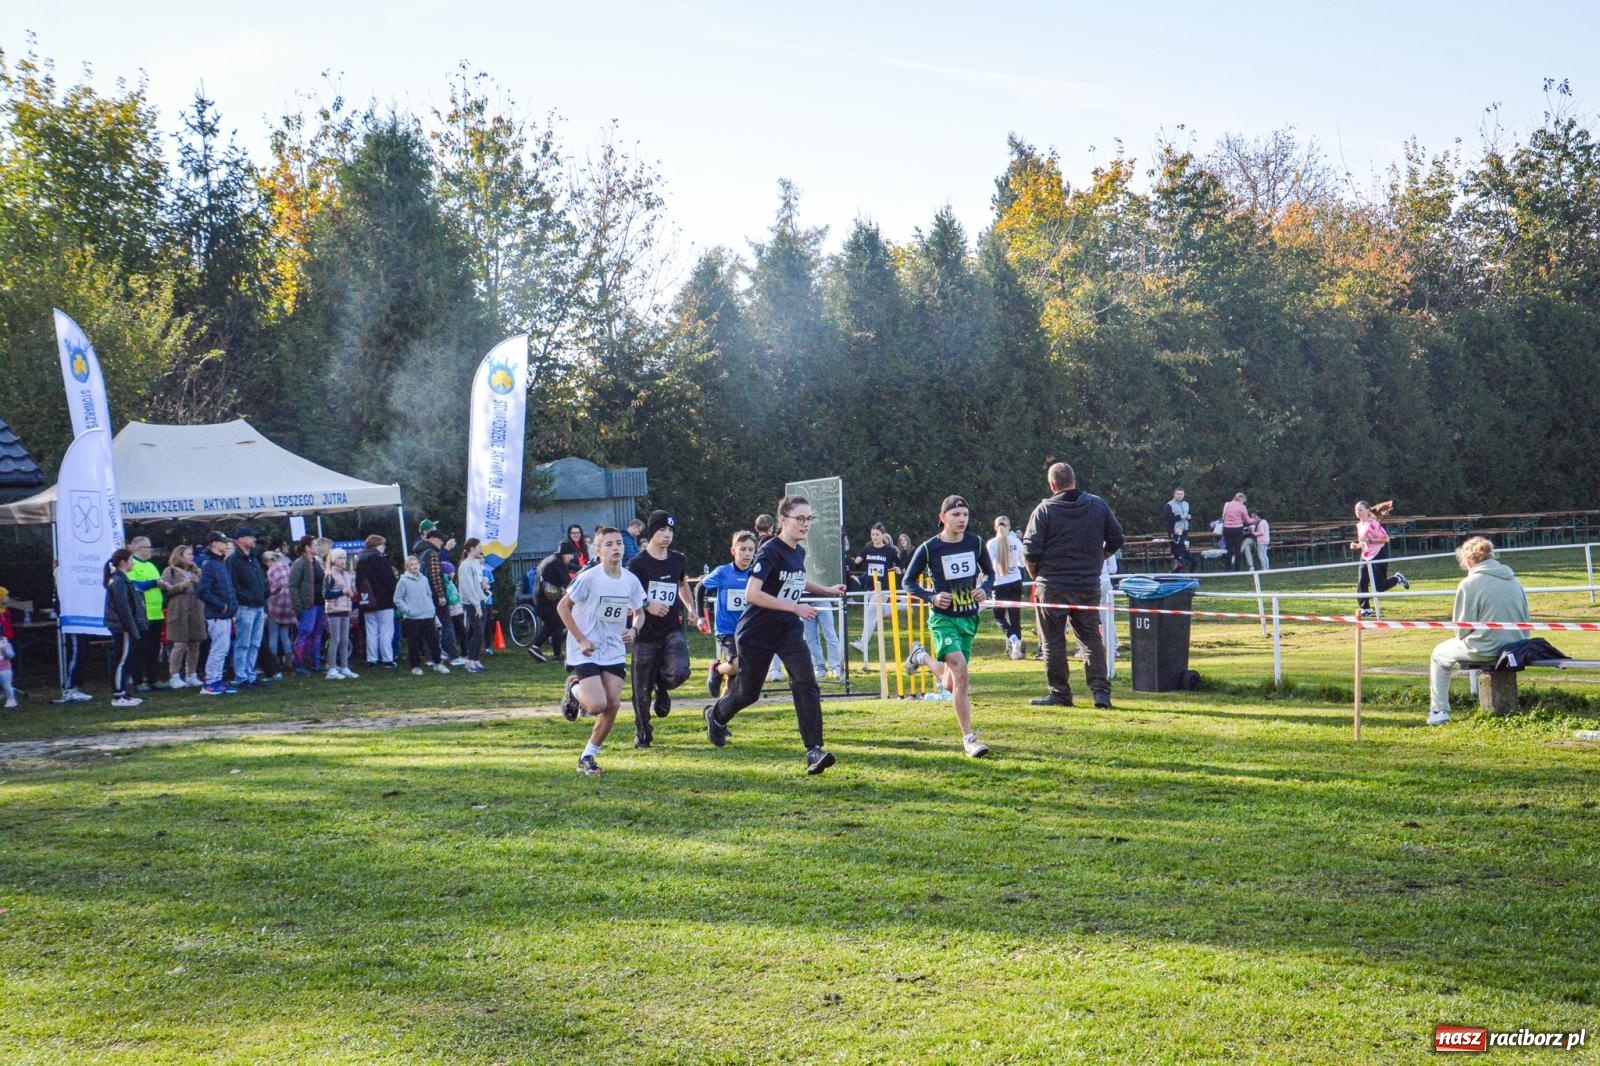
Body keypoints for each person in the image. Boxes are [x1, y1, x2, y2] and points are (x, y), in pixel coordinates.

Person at [704, 495, 845, 775]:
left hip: (788, 630)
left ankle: (813, 750)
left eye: (809, 519)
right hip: (757, 632)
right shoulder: (769, 550)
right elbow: (752, 593)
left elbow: (795, 580)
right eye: (800, 518)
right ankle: (716, 715)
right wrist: (795, 606)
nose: (806, 524)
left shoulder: (798, 553)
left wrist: (825, 590)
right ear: (783, 521)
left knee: (806, 682)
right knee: (748, 692)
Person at [1022, 462, 1125, 709]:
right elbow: (1117, 538)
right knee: (1090, 638)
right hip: (1087, 584)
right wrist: (1099, 556)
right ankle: (1101, 693)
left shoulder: (1044, 510)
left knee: (1053, 641)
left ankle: (1060, 693)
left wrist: (1037, 574)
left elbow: (1030, 551)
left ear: (1052, 485)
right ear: (1074, 481)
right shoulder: (1097, 505)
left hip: (1053, 585)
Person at [902, 495, 996, 757]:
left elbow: (990, 573)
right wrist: (931, 596)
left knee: (952, 683)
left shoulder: (976, 543)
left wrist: (984, 589)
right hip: (943, 619)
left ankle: (920, 656)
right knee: (961, 672)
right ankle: (969, 739)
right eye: (955, 515)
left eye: (965, 514)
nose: (961, 519)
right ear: (942, 517)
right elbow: (908, 582)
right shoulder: (929, 548)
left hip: (968, 618)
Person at [557, 526, 646, 776]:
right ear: (598, 550)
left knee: (613, 704)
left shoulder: (630, 580)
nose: (616, 547)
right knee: (596, 705)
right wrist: (581, 639)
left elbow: (639, 612)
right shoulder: (589, 578)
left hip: (613, 649)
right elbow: (563, 607)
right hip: (585, 648)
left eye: (618, 543)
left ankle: (588, 756)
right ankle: (574, 689)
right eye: (608, 544)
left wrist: (635, 630)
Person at [1426, 537, 1530, 726]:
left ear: (1468, 561)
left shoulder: (1470, 584)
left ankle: (1439, 710)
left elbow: (1462, 629)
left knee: (1438, 655)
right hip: (1518, 645)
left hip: (1487, 647)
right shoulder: (1514, 579)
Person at [625, 510, 698, 748]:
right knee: (640, 689)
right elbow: (627, 596)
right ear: (652, 532)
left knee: (680, 671)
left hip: (671, 629)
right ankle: (643, 733)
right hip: (645, 632)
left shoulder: (678, 559)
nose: (667, 535)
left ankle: (663, 685)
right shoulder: (637, 563)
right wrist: (647, 605)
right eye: (661, 531)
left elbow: (682, 584)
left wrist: (691, 608)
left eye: (670, 531)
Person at [702, 530, 757, 699]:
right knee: (737, 665)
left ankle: (720, 709)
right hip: (727, 630)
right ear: (733, 550)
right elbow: (700, 588)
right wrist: (700, 616)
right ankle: (716, 669)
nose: (747, 554)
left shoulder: (756, 574)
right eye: (743, 549)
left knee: (738, 674)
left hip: (747, 630)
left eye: (751, 550)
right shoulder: (723, 572)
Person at [850, 523, 902, 665]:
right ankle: (899, 606)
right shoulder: (868, 548)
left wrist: (898, 568)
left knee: (872, 611)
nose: (874, 537)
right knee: (873, 613)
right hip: (871, 586)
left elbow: (899, 563)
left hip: (883, 587)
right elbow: (858, 564)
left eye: (877, 535)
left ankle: (862, 642)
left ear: (883, 536)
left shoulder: (889, 550)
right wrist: (858, 561)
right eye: (872, 535)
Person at [195, 532, 239, 695]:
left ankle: (217, 679)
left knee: (223, 648)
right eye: (222, 542)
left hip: (225, 614)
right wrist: (221, 606)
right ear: (214, 544)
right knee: (218, 649)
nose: (226, 545)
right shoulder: (210, 564)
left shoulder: (219, 563)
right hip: (217, 614)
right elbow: (202, 591)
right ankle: (211, 682)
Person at [227, 526, 269, 687]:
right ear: (241, 539)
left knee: (255, 643)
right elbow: (234, 585)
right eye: (251, 536)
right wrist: (249, 598)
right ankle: (241, 676)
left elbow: (260, 582)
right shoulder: (233, 560)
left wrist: (263, 605)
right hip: (245, 607)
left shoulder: (253, 559)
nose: (254, 539)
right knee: (243, 643)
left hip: (257, 606)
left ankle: (250, 674)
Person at [103, 547, 146, 707]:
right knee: (120, 659)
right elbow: (123, 607)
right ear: (123, 563)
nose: (132, 563)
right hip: (122, 626)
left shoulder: (121, 579)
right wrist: (131, 627)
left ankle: (123, 692)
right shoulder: (118, 580)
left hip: (124, 626)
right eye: (131, 560)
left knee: (124, 658)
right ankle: (118, 694)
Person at [1351, 500, 1409, 617]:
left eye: (1361, 510)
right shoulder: (1359, 525)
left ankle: (1397, 578)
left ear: (1367, 510)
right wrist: (1356, 545)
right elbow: (1364, 543)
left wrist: (1370, 540)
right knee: (1362, 582)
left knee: (1379, 587)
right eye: (1357, 510)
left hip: (1378, 555)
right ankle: (1365, 608)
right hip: (1365, 556)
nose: (1358, 512)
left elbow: (1386, 539)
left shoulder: (1373, 524)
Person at [160, 545, 205, 688]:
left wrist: (199, 583)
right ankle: (174, 675)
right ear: (180, 556)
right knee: (179, 644)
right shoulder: (170, 571)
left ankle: (191, 674)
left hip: (196, 611)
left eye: (192, 554)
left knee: (195, 643)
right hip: (178, 611)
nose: (192, 557)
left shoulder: (197, 570)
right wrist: (182, 586)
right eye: (188, 554)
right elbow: (166, 591)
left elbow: (205, 589)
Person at [521, 542, 574, 663]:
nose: (571, 558)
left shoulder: (549, 560)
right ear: (564, 554)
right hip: (547, 601)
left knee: (556, 624)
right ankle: (535, 647)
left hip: (540, 599)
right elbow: (568, 582)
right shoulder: (557, 563)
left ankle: (557, 654)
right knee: (554, 624)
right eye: (570, 555)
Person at [124, 535, 164, 692]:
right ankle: (138, 681)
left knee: (153, 650)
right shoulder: (131, 565)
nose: (151, 550)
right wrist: (154, 583)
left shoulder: (151, 566)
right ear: (138, 549)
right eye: (148, 547)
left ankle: (153, 679)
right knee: (140, 649)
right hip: (142, 614)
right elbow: (134, 586)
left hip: (156, 613)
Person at [395, 555, 447, 675]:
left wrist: (431, 609)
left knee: (434, 642)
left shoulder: (424, 579)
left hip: (428, 615)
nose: (415, 566)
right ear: (407, 567)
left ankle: (438, 663)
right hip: (412, 618)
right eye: (412, 564)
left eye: (416, 564)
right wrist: (407, 610)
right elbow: (398, 599)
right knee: (414, 644)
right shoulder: (403, 581)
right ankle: (415, 666)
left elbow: (428, 594)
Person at [985, 515, 1026, 660]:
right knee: (1015, 616)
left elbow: (988, 566)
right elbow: (1022, 563)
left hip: (1000, 583)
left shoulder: (991, 544)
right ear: (1009, 527)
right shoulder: (1016, 541)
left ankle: (1014, 640)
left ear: (995, 527)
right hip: (1016, 581)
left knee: (999, 617)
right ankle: (1018, 650)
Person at [355, 535, 398, 669]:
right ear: (376, 546)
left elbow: (358, 582)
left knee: (371, 631)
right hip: (384, 601)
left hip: (367, 601)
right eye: (382, 545)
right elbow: (390, 582)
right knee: (386, 631)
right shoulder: (381, 561)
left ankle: (372, 659)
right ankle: (387, 659)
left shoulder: (360, 562)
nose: (384, 547)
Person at [288, 535, 325, 675]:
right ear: (307, 548)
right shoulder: (300, 563)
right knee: (304, 634)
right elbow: (293, 585)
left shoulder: (316, 562)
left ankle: (315, 663)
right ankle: (298, 666)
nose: (317, 547)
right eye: (315, 545)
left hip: (319, 603)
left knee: (317, 634)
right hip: (307, 605)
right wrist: (298, 606)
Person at [323, 548, 357, 680]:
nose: (343, 561)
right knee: (335, 640)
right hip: (334, 610)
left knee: (344, 640)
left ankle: (345, 666)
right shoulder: (330, 575)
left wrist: (350, 593)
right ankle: (331, 668)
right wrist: (342, 592)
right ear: (333, 560)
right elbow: (326, 594)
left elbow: (348, 590)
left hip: (345, 609)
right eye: (340, 558)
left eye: (344, 558)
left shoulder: (347, 574)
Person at [264, 550, 297, 679]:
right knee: (285, 635)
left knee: (273, 635)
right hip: (288, 605)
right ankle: (289, 661)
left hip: (275, 605)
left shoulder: (271, 571)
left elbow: (272, 589)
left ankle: (274, 662)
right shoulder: (287, 568)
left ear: (268, 561)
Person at [457, 538, 489, 673]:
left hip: (480, 600)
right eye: (479, 547)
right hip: (472, 603)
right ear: (471, 548)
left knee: (479, 632)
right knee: (477, 631)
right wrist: (476, 605)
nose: (481, 550)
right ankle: (470, 661)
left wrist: (482, 587)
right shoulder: (465, 566)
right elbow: (468, 587)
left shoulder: (474, 564)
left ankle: (475, 660)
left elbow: (476, 583)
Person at [1163, 489, 1195, 573]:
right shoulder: (1169, 505)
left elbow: (1191, 514)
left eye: (1181, 494)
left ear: (1184, 495)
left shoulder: (1186, 504)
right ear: (1174, 495)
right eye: (1178, 494)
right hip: (1175, 531)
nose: (1180, 496)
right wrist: (1179, 517)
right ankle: (1177, 569)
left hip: (1185, 530)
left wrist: (1189, 517)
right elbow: (1167, 519)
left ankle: (1183, 570)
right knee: (1180, 549)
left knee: (1185, 550)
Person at [1221, 493, 1251, 571]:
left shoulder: (1227, 504)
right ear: (1241, 499)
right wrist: (1254, 520)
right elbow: (1247, 520)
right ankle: (1237, 569)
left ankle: (1228, 568)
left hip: (1227, 529)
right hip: (1237, 529)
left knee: (1229, 549)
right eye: (1243, 501)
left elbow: (1223, 517)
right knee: (1238, 549)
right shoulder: (1242, 507)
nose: (1243, 503)